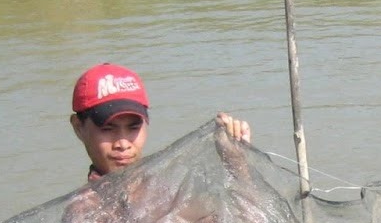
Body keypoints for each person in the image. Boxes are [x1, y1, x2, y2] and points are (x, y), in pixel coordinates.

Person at [69, 62, 251, 181]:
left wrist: (236, 162)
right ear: (78, 127)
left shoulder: (167, 192)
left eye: (133, 127)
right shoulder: (84, 213)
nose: (123, 144)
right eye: (108, 128)